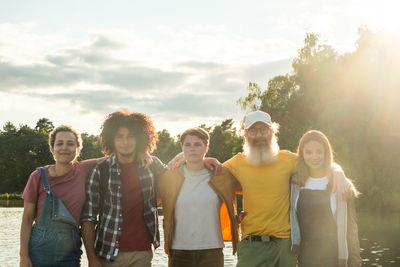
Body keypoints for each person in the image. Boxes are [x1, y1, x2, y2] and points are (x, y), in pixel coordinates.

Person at [220, 110, 347, 267]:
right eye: (253, 131)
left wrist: (338, 171)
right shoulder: (237, 162)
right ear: (245, 135)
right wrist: (183, 158)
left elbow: (314, 162)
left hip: (285, 246)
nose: (259, 135)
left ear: (272, 132)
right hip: (251, 246)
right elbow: (211, 172)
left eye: (264, 130)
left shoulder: (287, 159)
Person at [80, 111, 167, 267]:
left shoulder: (151, 165)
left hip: (142, 253)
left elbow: (177, 172)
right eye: (119, 137)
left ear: (140, 138)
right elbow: (88, 218)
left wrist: (206, 159)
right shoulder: (100, 171)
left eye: (131, 136)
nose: (125, 142)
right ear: (112, 140)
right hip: (108, 254)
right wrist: (91, 258)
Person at [157, 128, 239, 267]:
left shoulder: (221, 175)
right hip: (178, 252)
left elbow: (247, 187)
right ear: (182, 148)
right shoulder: (169, 177)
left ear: (206, 147)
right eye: (187, 145)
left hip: (212, 252)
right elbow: (151, 201)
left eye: (197, 144)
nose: (192, 149)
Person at [20, 125, 97, 267]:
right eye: (59, 143)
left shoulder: (84, 169)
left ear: (78, 149)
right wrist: (24, 256)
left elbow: (113, 158)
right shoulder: (37, 176)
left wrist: (144, 154)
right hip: (38, 252)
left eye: (70, 144)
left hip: (70, 254)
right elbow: (26, 220)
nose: (64, 148)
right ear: (52, 149)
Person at [290, 130, 361, 267]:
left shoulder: (340, 184)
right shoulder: (295, 184)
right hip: (305, 258)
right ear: (302, 154)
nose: (314, 156)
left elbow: (351, 232)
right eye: (308, 152)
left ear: (326, 153)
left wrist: (354, 263)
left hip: (334, 258)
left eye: (319, 151)